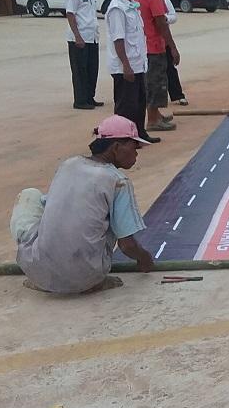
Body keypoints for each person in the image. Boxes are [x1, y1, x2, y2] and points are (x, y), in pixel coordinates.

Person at [10, 115, 154, 294]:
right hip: (88, 277)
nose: (137, 154)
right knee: (110, 216)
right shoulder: (118, 181)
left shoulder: (68, 165)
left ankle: (47, 273)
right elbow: (127, 244)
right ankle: (91, 280)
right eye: (134, 147)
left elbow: (51, 205)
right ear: (116, 147)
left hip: (37, 272)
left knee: (29, 195)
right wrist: (144, 258)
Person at [106, 0, 159, 144]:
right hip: (125, 67)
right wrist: (126, 65)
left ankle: (139, 134)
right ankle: (123, 139)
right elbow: (118, 40)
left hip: (138, 64)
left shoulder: (131, 5)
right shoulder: (117, 8)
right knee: (126, 105)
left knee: (139, 103)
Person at [136, 0, 180, 132]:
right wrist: (173, 47)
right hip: (153, 45)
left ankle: (155, 114)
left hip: (142, 45)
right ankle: (153, 120)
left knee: (150, 82)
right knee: (156, 82)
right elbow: (161, 23)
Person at [65, 0, 103, 110]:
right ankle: (80, 101)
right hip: (79, 38)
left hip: (92, 36)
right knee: (80, 70)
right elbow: (70, 14)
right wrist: (77, 36)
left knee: (92, 69)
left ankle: (89, 97)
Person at [163, 0, 189, 106]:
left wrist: (165, 18)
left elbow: (173, 16)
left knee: (170, 68)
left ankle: (178, 95)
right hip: (146, 43)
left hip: (164, 41)